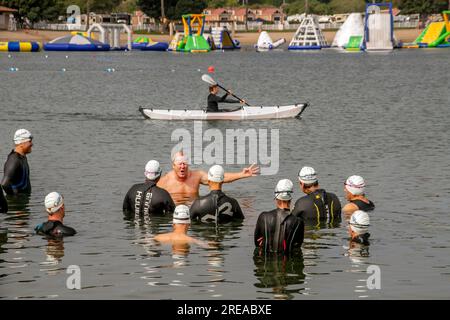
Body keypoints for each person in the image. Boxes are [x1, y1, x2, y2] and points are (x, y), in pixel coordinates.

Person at [157, 151, 259, 205]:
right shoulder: (165, 181)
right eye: (179, 164)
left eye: (185, 164)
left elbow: (217, 177)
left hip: (195, 209)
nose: (182, 166)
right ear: (173, 165)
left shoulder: (196, 176)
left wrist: (241, 174)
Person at [254, 179, 304, 255]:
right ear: (290, 198)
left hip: (265, 262)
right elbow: (297, 246)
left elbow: (257, 243)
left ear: (276, 198)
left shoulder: (263, 217)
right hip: (286, 262)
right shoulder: (298, 222)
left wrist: (266, 241)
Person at [1, 129, 33, 195]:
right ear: (21, 143)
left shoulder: (22, 157)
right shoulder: (14, 160)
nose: (32, 144)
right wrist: (15, 197)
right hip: (16, 203)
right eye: (30, 141)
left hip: (23, 201)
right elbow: (4, 184)